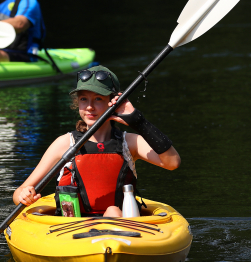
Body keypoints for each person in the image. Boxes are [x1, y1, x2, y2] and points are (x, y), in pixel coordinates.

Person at [13, 66, 181, 217]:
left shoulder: (129, 143)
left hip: (122, 227)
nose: (89, 107)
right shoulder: (64, 143)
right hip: (70, 229)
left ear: (113, 102)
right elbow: (20, 191)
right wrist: (24, 195)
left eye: (98, 99)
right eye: (83, 99)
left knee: (113, 210)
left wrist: (139, 122)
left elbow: (172, 162)